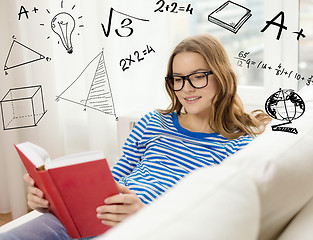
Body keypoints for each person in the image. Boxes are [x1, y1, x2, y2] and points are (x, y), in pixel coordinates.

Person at [0, 33, 270, 240]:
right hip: (96, 218)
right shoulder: (154, 122)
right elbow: (115, 179)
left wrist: (143, 214)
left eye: (197, 77)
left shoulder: (238, 146)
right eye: (177, 79)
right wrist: (53, 200)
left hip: (150, 229)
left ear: (220, 76)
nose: (185, 88)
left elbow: (212, 219)